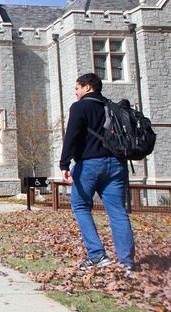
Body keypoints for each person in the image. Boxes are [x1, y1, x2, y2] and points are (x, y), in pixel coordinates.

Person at [60, 73, 135, 274]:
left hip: (90, 165)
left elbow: (71, 137)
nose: (76, 93)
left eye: (77, 88)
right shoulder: (112, 107)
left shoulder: (80, 107)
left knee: (80, 206)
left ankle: (97, 255)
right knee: (118, 212)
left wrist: (64, 164)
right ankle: (127, 263)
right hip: (117, 165)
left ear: (87, 87)